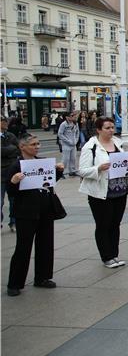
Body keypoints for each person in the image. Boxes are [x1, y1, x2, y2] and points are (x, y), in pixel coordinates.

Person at [6, 134, 64, 296]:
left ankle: (43, 277)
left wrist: (58, 171)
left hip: (45, 208)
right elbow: (10, 191)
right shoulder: (16, 165)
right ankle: (15, 283)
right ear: (22, 147)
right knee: (23, 247)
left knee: (45, 243)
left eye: (38, 144)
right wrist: (14, 181)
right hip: (26, 211)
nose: (37, 147)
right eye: (33, 144)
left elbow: (49, 181)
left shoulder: (42, 162)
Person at [79, 116, 128, 267]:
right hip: (101, 192)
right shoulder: (90, 147)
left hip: (119, 190)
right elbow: (82, 170)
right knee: (103, 224)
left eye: (112, 127)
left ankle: (114, 254)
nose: (111, 130)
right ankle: (106, 256)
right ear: (99, 130)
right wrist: (98, 168)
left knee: (115, 224)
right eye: (107, 128)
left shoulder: (118, 144)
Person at [1, 116, 20, 232]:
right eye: (3, 121)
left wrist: (6, 151)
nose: (5, 123)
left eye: (5, 121)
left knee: (14, 200)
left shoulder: (11, 135)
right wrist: (10, 150)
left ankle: (13, 222)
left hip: (12, 172)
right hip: (0, 174)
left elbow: (18, 149)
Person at [57, 111, 80, 176]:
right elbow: (60, 134)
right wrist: (67, 141)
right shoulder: (63, 124)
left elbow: (77, 132)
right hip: (66, 144)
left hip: (73, 144)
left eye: (73, 115)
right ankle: (61, 172)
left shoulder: (75, 123)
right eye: (71, 116)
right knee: (65, 159)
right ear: (67, 117)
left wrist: (76, 140)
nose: (73, 117)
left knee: (73, 158)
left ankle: (72, 171)